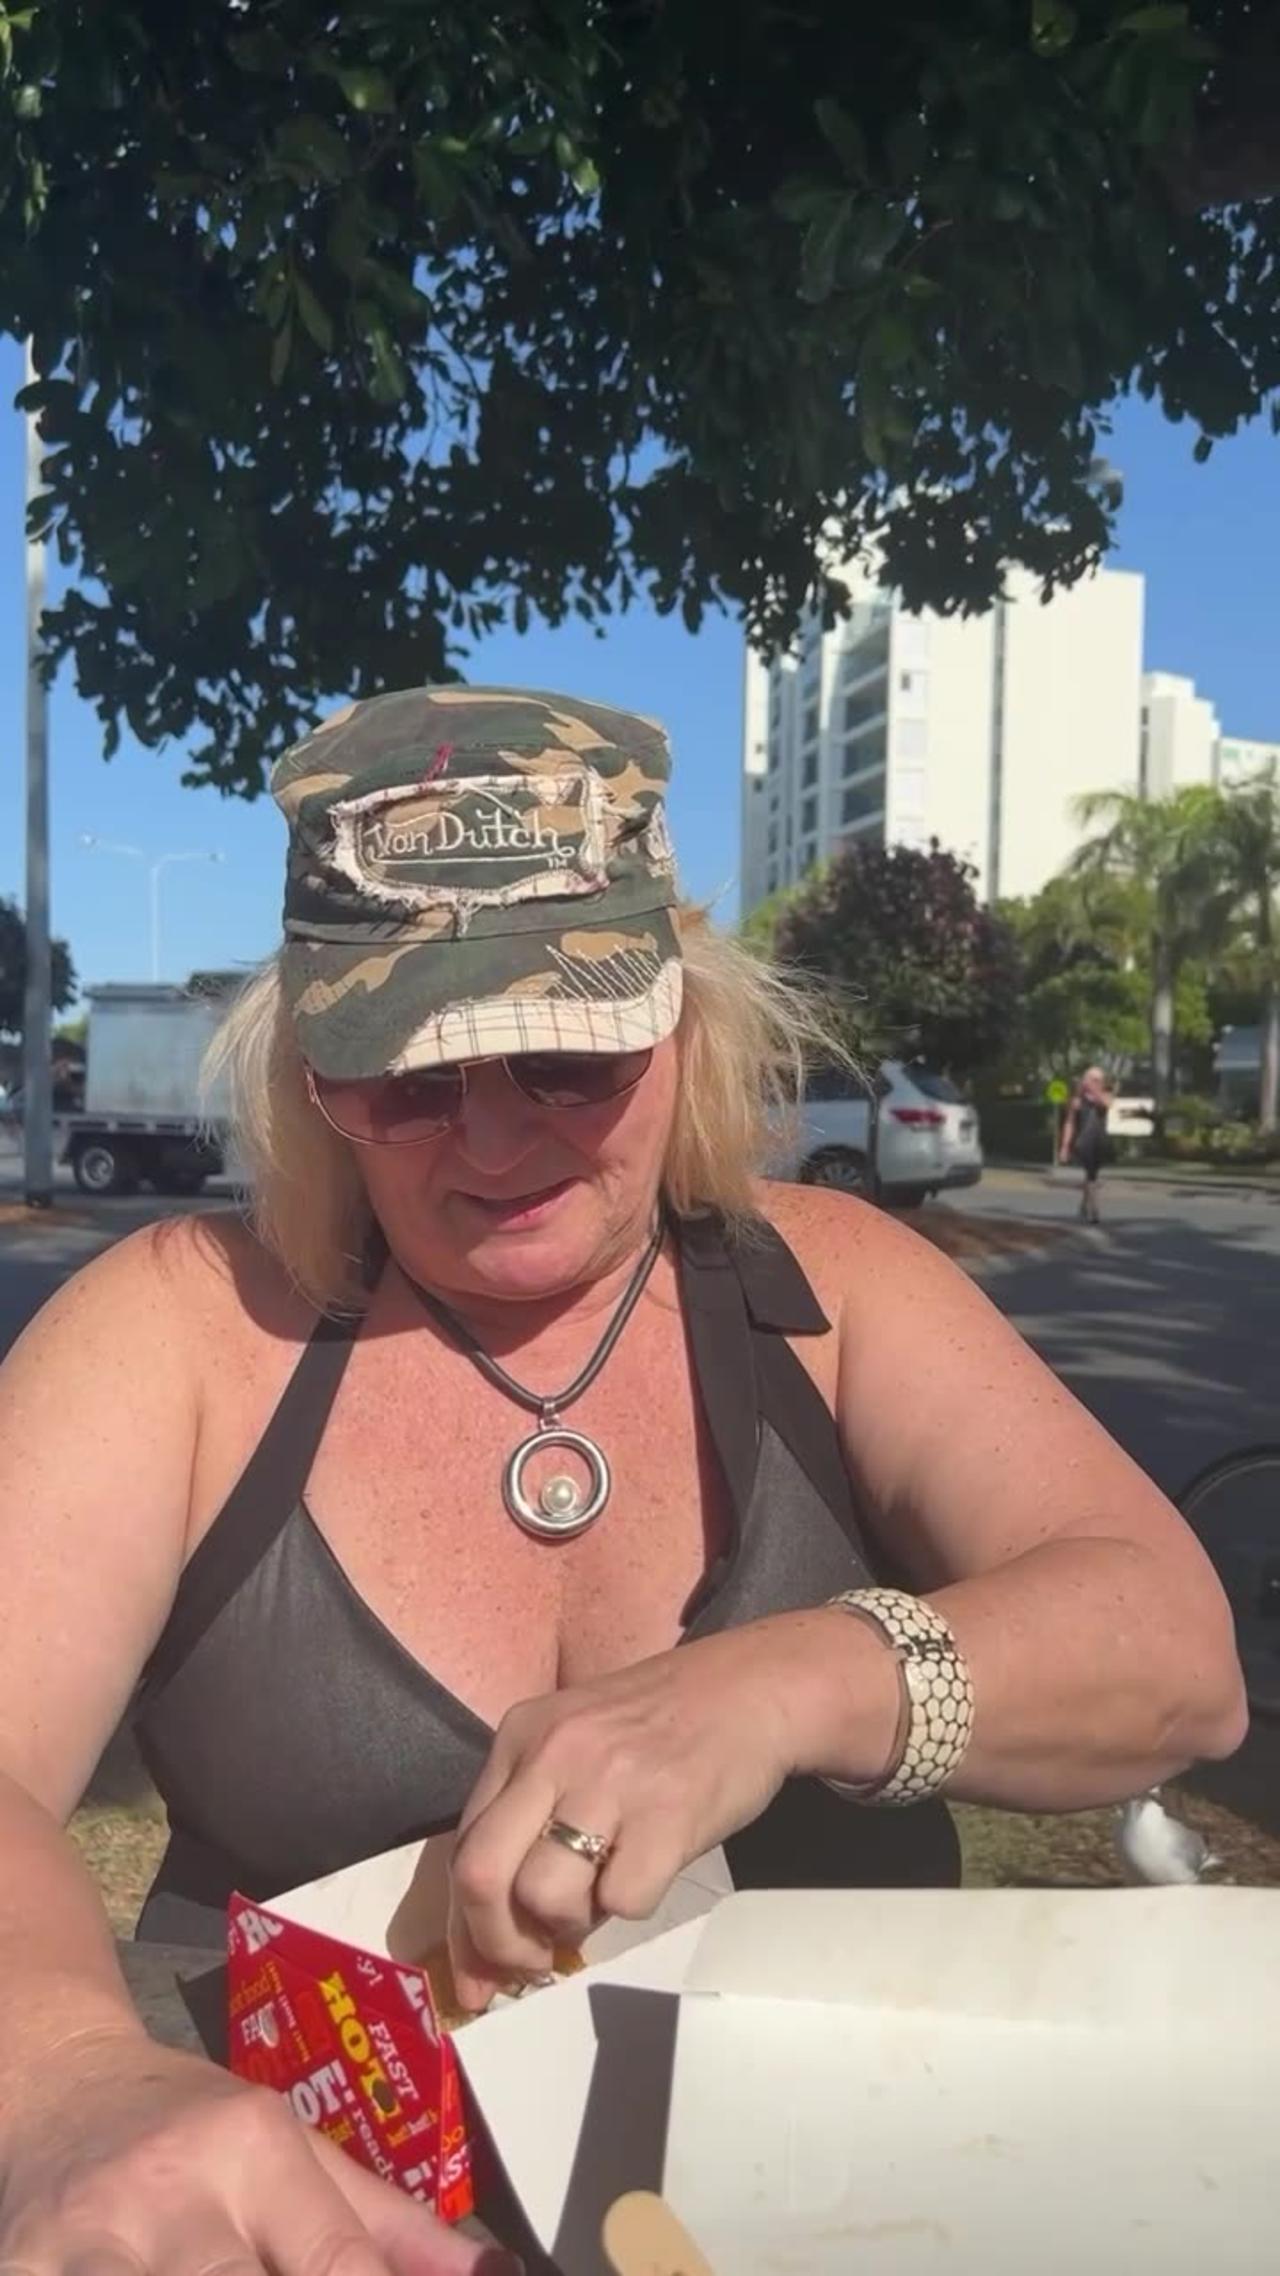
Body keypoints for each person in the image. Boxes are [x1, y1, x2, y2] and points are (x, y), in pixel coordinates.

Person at [0, 689, 1246, 2276]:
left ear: (680, 1019)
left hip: (848, 2207)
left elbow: (1175, 1657)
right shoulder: (182, 1323)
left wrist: (786, 1685)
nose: (495, 1137)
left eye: (566, 1054)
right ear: (311, 1074)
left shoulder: (839, 1290)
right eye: (409, 1076)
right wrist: (65, 2079)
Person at [1060, 1064, 1114, 1223]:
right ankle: (1094, 1210)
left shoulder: (1105, 1095)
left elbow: (1105, 1104)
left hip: (1100, 1141)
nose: (1096, 1082)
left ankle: (1084, 1205)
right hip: (1084, 1141)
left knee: (1090, 1175)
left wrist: (1094, 1091)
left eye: (1099, 1080)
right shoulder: (1077, 1101)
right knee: (1092, 1176)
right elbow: (1069, 1123)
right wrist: (1064, 1146)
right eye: (1093, 1079)